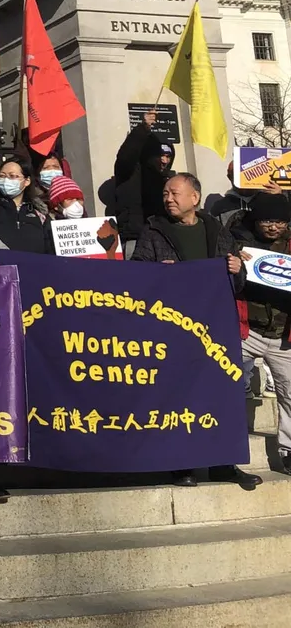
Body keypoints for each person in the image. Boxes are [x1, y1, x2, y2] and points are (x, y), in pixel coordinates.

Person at [130, 173, 259, 491]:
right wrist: (160, 273)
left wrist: (235, 270)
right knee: (176, 397)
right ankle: (182, 464)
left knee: (221, 395)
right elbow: (135, 272)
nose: (168, 198)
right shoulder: (153, 231)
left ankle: (222, 464)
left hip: (215, 329)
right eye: (165, 194)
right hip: (173, 330)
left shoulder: (217, 230)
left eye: (174, 193)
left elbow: (236, 283)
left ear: (195, 198)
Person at [231, 192, 291, 466]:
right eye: (267, 220)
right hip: (246, 331)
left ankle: (288, 451)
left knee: (290, 395)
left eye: (279, 221)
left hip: (283, 336)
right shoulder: (235, 242)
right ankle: (224, 447)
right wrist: (233, 266)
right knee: (223, 385)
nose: (273, 227)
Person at [112, 109, 174, 257]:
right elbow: (126, 156)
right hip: (136, 239)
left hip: (163, 241)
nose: (164, 160)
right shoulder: (130, 172)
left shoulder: (170, 180)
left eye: (168, 156)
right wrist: (143, 128)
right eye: (160, 155)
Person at [0, 157, 50, 254]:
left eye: (12, 176)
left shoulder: (40, 213)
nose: (6, 180)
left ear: (27, 181)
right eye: (2, 176)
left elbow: (50, 247)